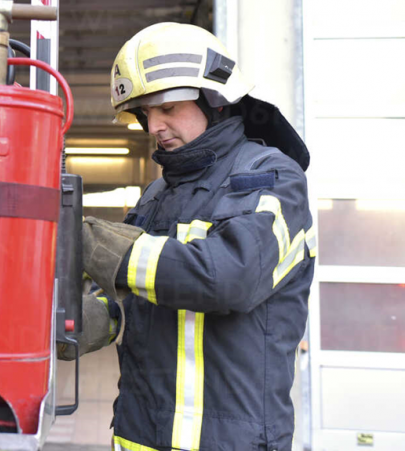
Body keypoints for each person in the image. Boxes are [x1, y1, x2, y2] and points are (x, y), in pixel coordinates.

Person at [61, 23, 316, 451]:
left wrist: (87, 241)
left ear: (214, 100)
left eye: (168, 108)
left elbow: (228, 278)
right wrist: (75, 322)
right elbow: (133, 294)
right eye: (145, 114)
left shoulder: (273, 178)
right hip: (137, 436)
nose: (153, 127)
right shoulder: (159, 193)